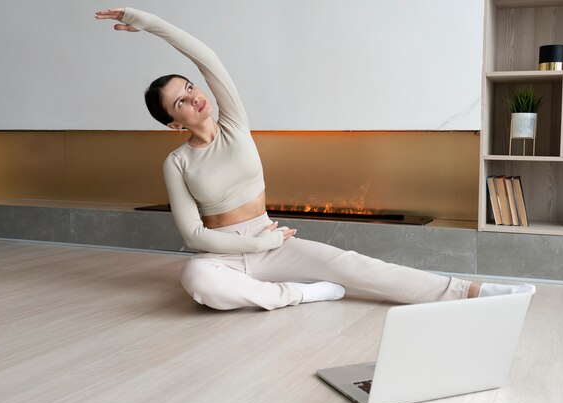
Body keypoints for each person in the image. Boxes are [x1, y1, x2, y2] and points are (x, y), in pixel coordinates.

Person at [95, 7, 534, 311]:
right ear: (173, 124)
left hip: (271, 239)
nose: (194, 99)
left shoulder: (235, 123)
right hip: (226, 253)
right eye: (180, 103)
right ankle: (298, 295)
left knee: (356, 266)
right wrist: (254, 246)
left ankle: (471, 292)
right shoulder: (177, 163)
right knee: (196, 279)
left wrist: (146, 22)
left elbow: (207, 58)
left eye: (189, 88)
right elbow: (193, 234)